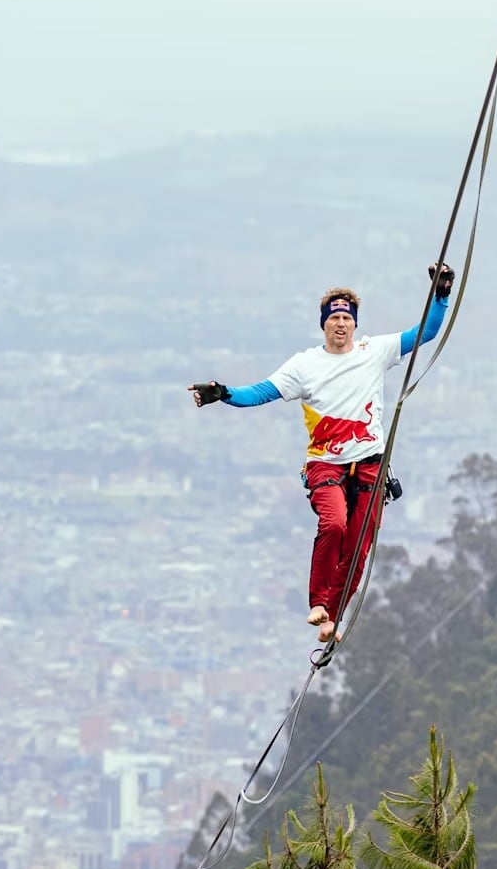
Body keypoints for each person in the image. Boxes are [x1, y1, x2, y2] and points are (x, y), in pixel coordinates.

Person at [189, 264, 455, 642]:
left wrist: (441, 293)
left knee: (359, 545)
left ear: (355, 324)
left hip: (369, 465)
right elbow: (260, 393)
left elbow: (424, 333)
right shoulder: (305, 365)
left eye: (347, 318)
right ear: (324, 324)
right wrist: (224, 393)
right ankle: (318, 602)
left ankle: (333, 616)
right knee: (334, 524)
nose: (341, 324)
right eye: (335, 318)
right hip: (326, 464)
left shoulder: (374, 351)